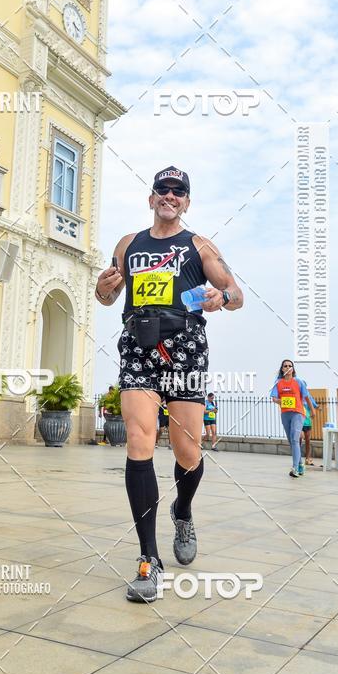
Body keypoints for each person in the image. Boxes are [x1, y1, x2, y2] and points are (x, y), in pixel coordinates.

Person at [95, 166, 243, 602]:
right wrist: (103, 289)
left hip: (185, 346)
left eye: (180, 191)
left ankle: (182, 509)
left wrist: (222, 297)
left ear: (187, 202)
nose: (171, 196)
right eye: (164, 189)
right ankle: (148, 558)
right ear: (152, 197)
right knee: (139, 439)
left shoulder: (200, 246)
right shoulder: (128, 244)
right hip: (138, 343)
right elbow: (106, 295)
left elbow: (236, 293)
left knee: (187, 451)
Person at [270, 359, 313, 478]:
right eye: (285, 366)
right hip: (285, 414)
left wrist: (313, 410)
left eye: (290, 366)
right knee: (291, 441)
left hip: (298, 413)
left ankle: (294, 468)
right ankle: (300, 465)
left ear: (293, 369)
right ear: (282, 369)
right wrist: (282, 401)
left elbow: (306, 397)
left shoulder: (299, 382)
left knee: (295, 439)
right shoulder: (278, 383)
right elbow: (274, 398)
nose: (288, 367)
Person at [299, 391, 317, 466]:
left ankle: (307, 458)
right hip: (299, 421)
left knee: (307, 440)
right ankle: (298, 459)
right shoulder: (297, 396)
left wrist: (317, 408)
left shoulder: (308, 397)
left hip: (307, 422)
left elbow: (315, 406)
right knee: (299, 439)